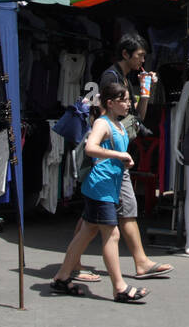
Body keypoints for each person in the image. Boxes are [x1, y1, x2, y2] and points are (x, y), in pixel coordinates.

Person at [71, 34, 173, 282]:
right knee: (96, 218)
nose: (142, 60)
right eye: (139, 55)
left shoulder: (126, 79)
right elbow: (103, 118)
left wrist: (146, 90)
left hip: (118, 155)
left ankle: (139, 262)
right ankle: (74, 267)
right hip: (109, 158)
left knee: (114, 212)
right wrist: (112, 153)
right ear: (125, 54)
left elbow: (137, 118)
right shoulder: (111, 77)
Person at [51, 82, 150, 303]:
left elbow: (116, 151)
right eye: (124, 100)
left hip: (108, 186)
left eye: (128, 100)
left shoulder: (119, 124)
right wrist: (118, 155)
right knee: (111, 235)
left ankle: (62, 276)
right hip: (100, 187)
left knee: (87, 231)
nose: (128, 104)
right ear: (111, 103)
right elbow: (90, 148)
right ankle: (119, 287)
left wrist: (124, 159)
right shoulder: (102, 124)